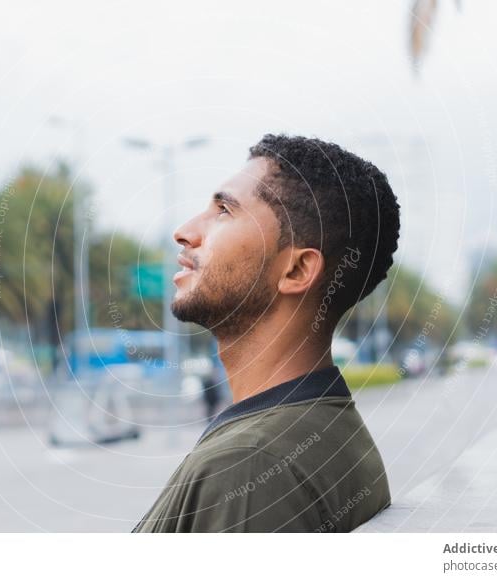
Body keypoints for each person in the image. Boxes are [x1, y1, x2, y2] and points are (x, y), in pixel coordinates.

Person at [132, 134, 400, 533]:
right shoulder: (326, 429)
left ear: (295, 271)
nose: (185, 232)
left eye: (224, 210)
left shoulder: (248, 466)